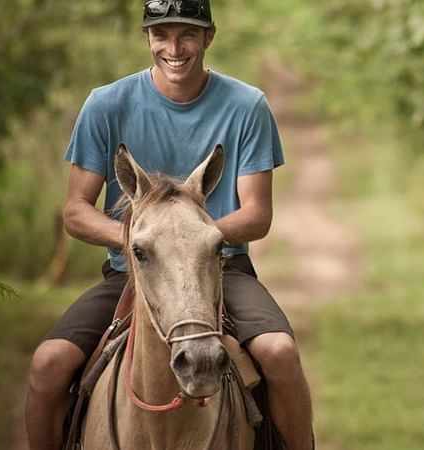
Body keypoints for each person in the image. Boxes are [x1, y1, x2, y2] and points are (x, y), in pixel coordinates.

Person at [25, 1, 313, 449]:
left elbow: (257, 213)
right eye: (162, 36)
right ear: (147, 38)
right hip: (132, 269)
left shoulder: (247, 105)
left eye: (188, 35)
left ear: (209, 37)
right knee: (48, 364)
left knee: (279, 353)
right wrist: (143, 241)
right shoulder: (106, 105)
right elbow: (76, 211)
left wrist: (193, 240)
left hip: (221, 267)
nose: (174, 48)